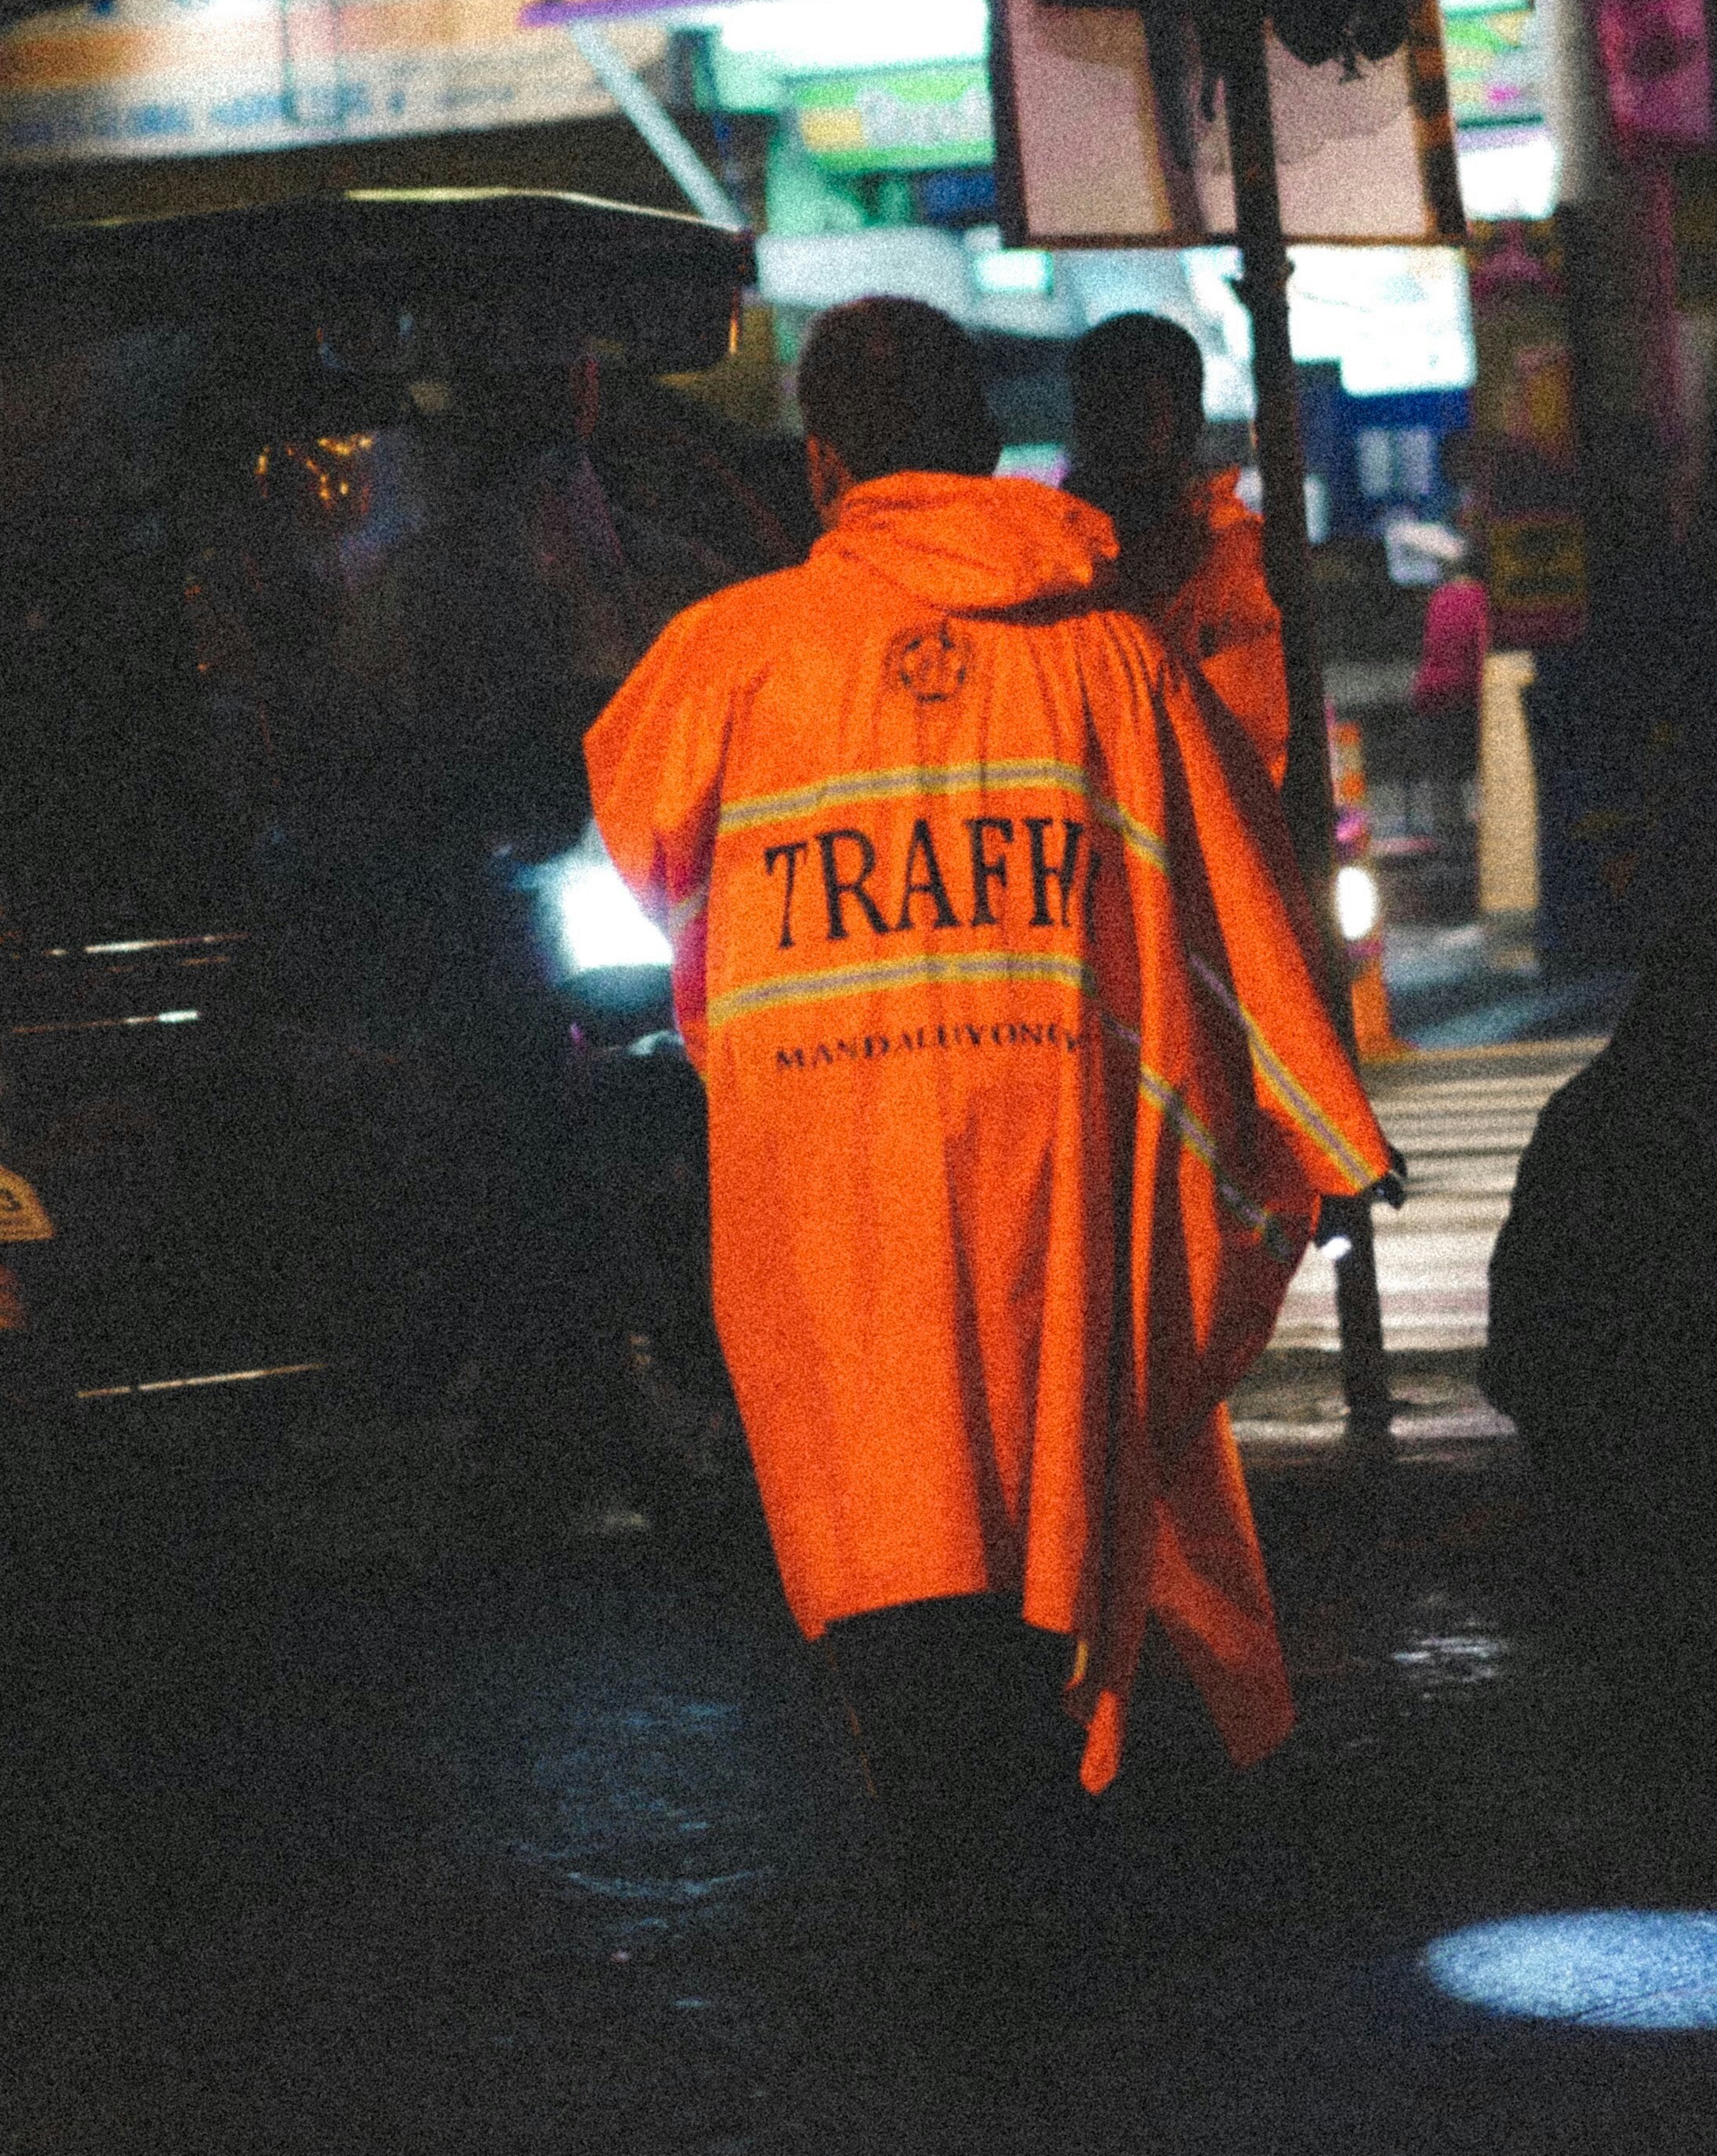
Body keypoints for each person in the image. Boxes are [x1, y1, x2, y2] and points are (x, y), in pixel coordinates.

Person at [585, 295, 1388, 2004]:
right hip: (1051, 1198)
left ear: (820, 465)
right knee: (1049, 1519)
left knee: (889, 1552)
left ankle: (967, 1943)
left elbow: (640, 831)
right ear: (992, 449)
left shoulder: (728, 659)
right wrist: (1314, 1126)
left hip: (831, 1197)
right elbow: (1232, 910)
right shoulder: (1106, 655)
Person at [1063, 312, 1291, 787]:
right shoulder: (1055, 556)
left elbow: (1244, 753)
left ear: (1188, 424)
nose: (1108, 438)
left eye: (1132, 413)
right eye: (1096, 414)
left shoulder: (1234, 560)